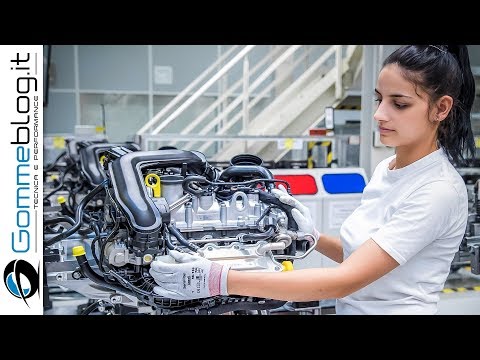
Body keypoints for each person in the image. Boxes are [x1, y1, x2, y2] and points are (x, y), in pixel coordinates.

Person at [149, 45, 476, 315]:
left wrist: (219, 280)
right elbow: (360, 259)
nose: (379, 114)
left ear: (441, 108)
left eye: (399, 103)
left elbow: (344, 281)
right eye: (379, 99)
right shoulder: (387, 168)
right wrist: (314, 237)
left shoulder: (437, 191)